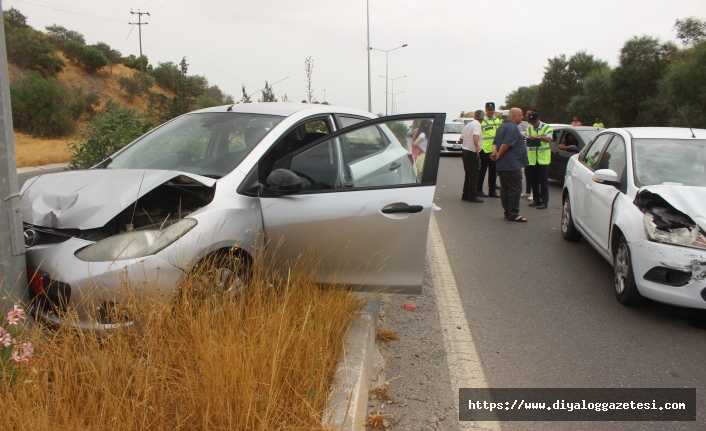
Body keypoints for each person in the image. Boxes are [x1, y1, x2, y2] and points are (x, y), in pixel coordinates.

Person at [490, 108, 528, 222]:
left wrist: (495, 153)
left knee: (505, 189)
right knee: (515, 189)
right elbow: (506, 145)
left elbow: (495, 143)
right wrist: (498, 156)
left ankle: (508, 212)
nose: (523, 117)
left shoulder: (502, 127)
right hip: (511, 164)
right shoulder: (512, 128)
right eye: (521, 115)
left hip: (503, 165)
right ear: (514, 116)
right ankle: (513, 213)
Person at [525, 111, 553, 209]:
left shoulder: (546, 127)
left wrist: (538, 137)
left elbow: (549, 139)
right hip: (532, 158)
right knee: (534, 180)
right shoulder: (529, 128)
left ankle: (544, 201)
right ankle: (536, 200)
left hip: (543, 158)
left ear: (538, 119)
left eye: (534, 121)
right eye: (530, 121)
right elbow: (527, 143)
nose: (532, 123)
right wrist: (528, 141)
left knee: (543, 181)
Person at [477, 102, 502, 198]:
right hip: (484, 149)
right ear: (486, 110)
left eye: (492, 109)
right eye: (489, 109)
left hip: (495, 150)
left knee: (493, 171)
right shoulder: (482, 122)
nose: (491, 111)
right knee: (482, 170)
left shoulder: (498, 121)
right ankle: (478, 189)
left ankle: (492, 190)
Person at [459, 110, 484, 203]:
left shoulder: (468, 124)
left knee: (468, 174)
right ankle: (472, 195)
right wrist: (477, 146)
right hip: (472, 151)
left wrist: (466, 144)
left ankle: (465, 194)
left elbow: (461, 138)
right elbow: (475, 135)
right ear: (482, 117)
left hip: (465, 150)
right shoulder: (477, 125)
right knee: (474, 174)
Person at [522, 107, 537, 199]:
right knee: (527, 172)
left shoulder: (538, 126)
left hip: (536, 154)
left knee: (534, 175)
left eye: (530, 113)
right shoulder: (528, 127)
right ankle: (528, 191)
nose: (528, 115)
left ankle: (534, 193)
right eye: (527, 113)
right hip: (528, 152)